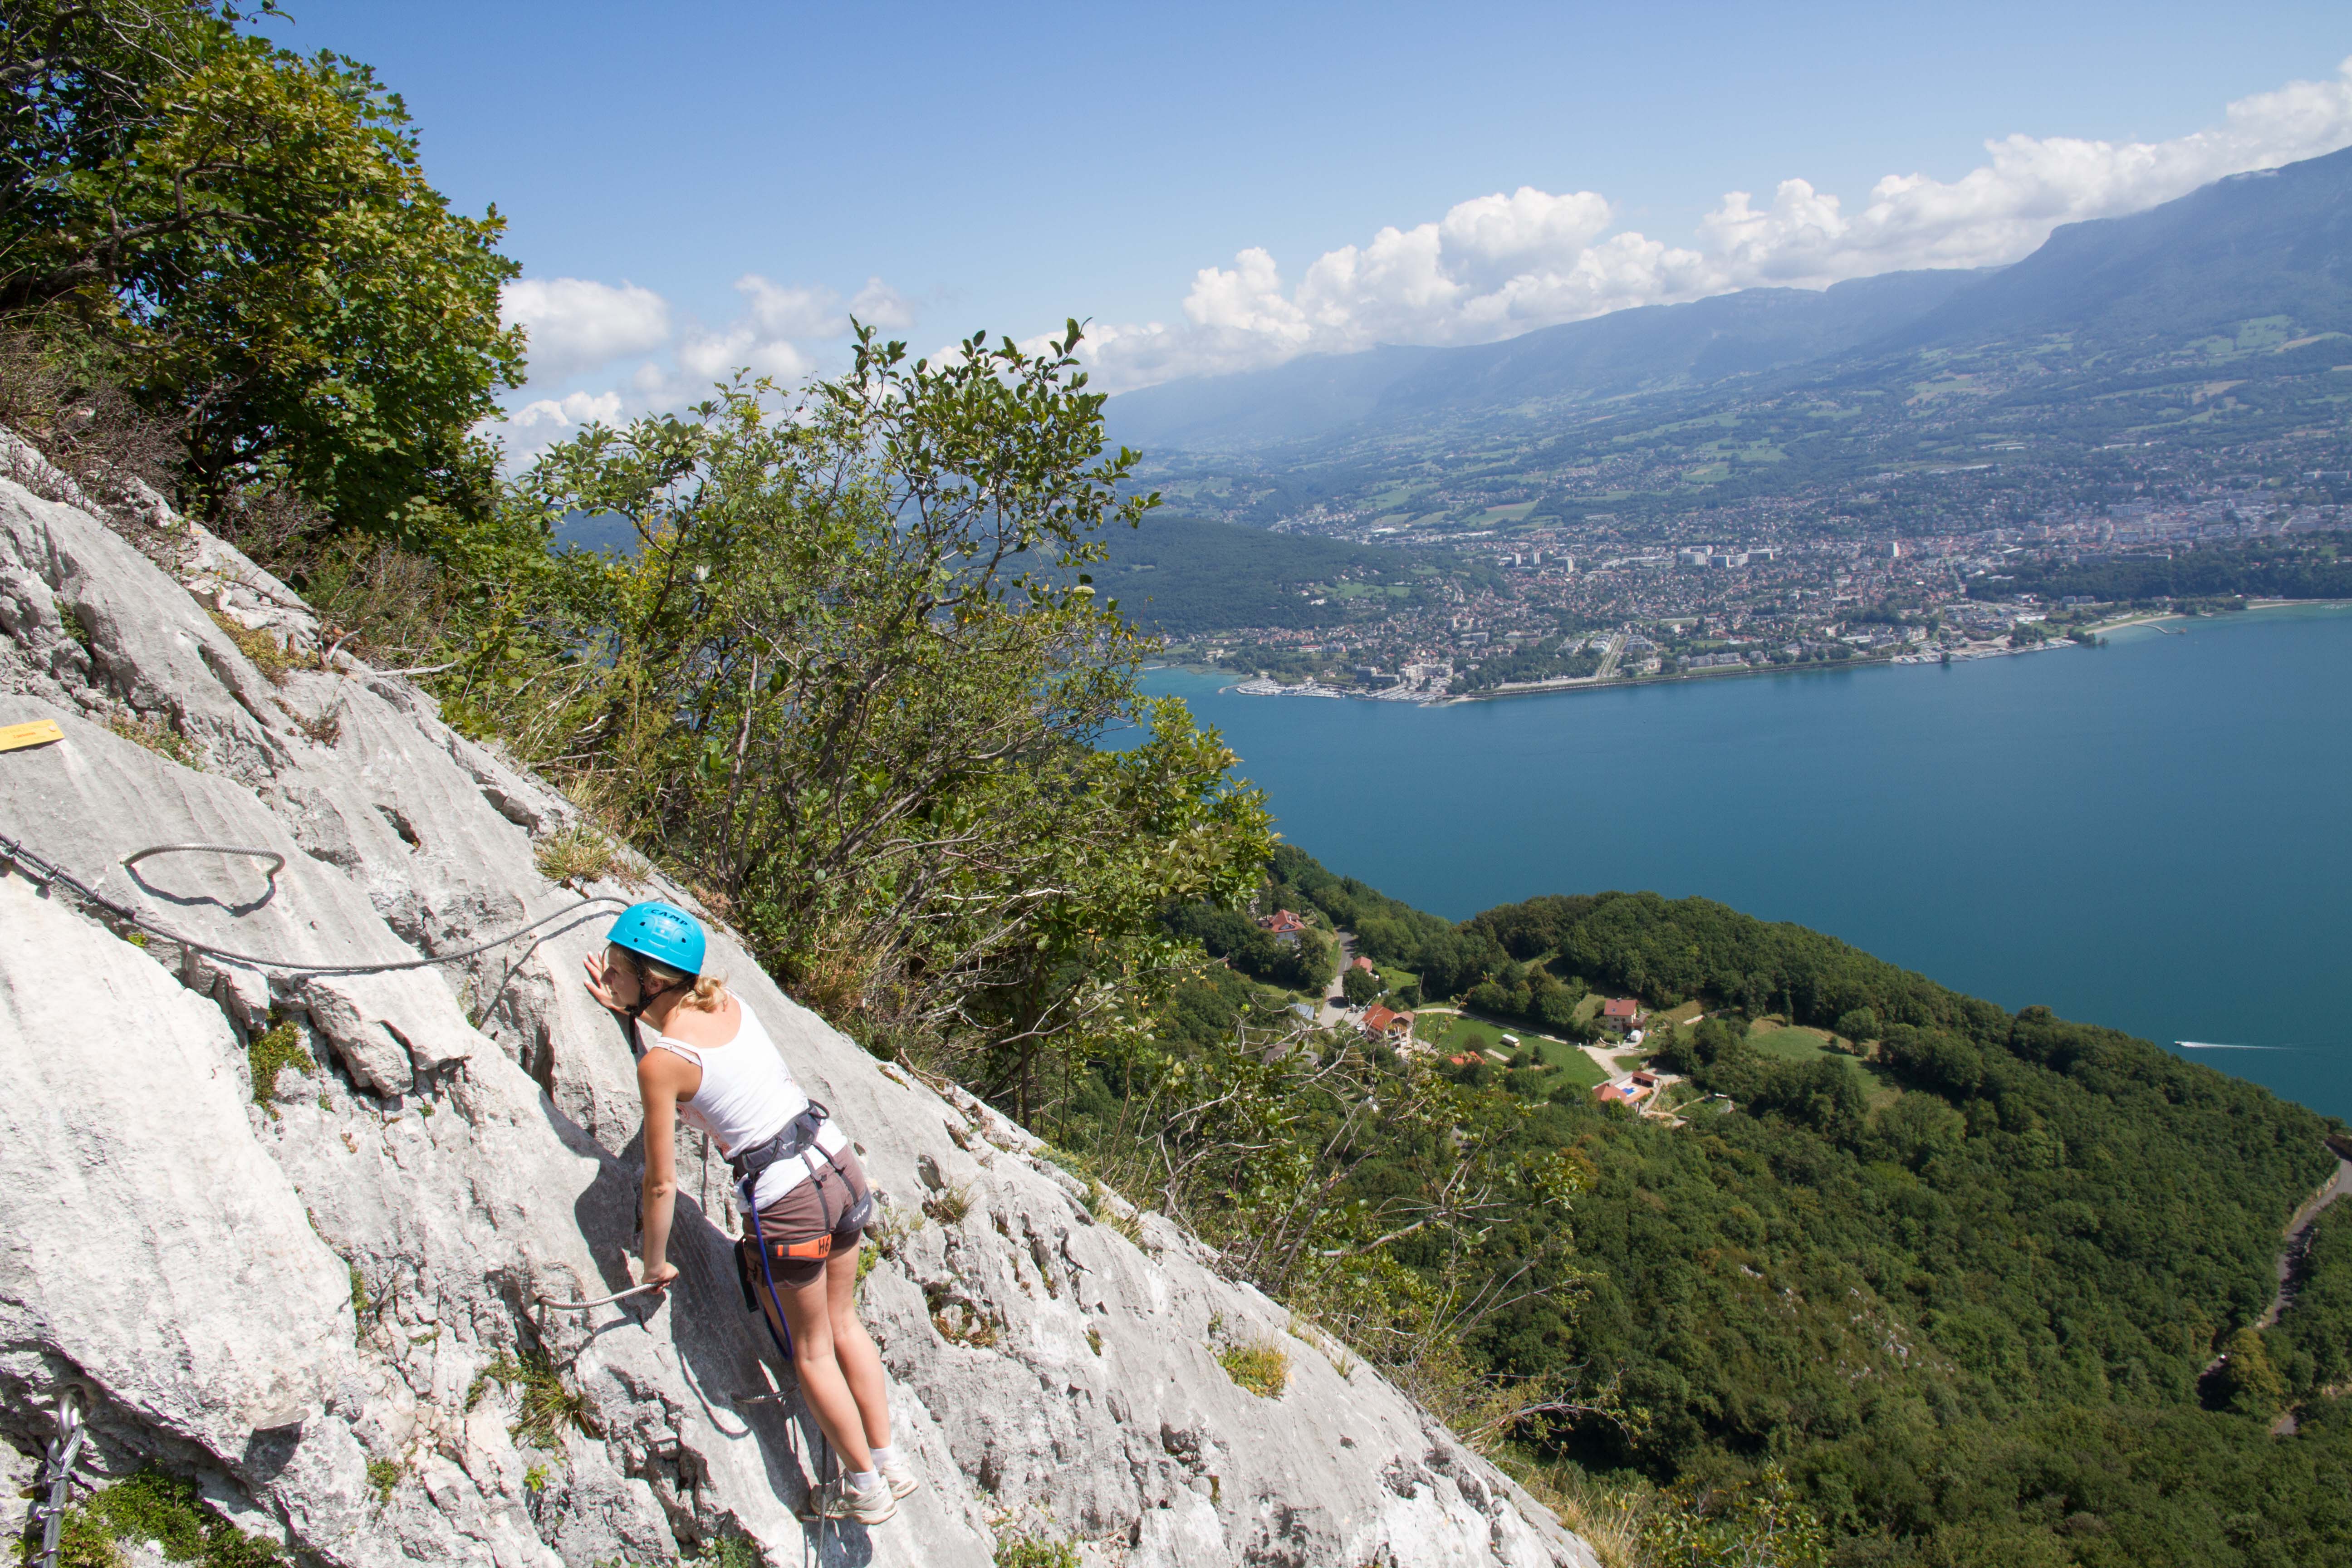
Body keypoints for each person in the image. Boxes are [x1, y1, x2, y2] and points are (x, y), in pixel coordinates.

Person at [583, 900, 914, 1525]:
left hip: (786, 1203)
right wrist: (630, 1013)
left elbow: (660, 1184)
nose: (608, 974)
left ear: (650, 981)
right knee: (845, 1324)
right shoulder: (725, 1004)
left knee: (812, 1351)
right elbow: (706, 1062)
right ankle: (889, 1458)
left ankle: (864, 1488)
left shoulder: (663, 1063)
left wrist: (653, 1264)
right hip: (834, 1162)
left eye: (618, 969)